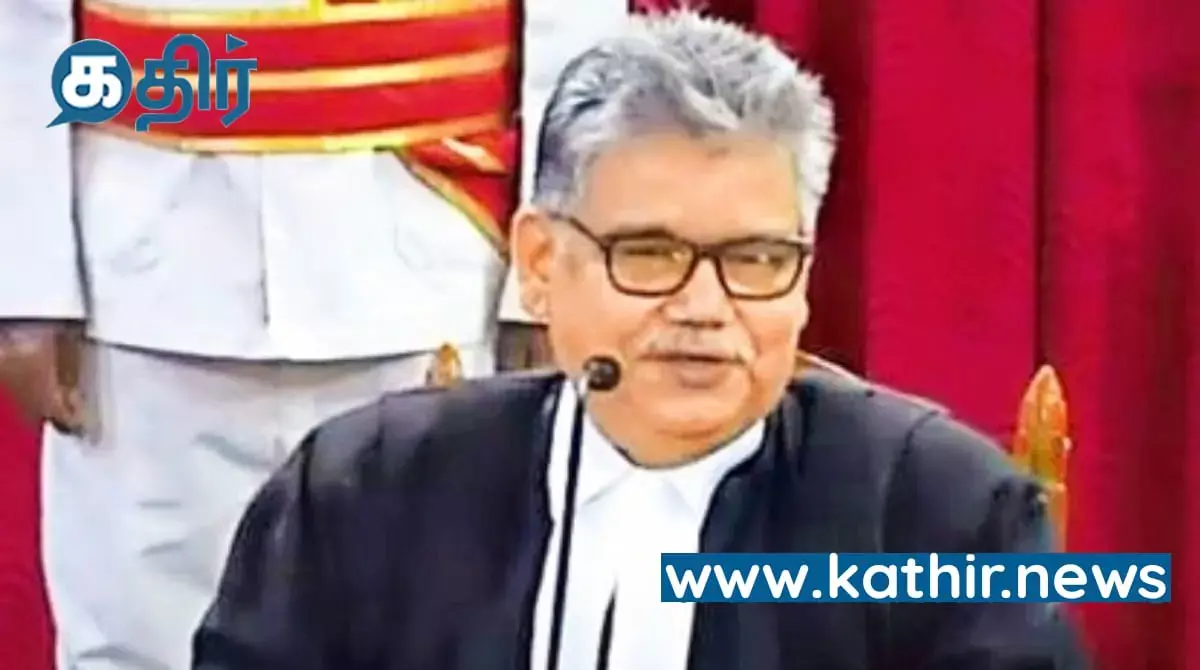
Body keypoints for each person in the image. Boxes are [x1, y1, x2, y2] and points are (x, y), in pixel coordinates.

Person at [193, 9, 1087, 669]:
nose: (703, 307)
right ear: (540, 262)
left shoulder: (943, 517)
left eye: (755, 260)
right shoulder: (365, 493)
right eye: (650, 255)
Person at [0, 0, 629, 667]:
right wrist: (28, 273)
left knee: (433, 632)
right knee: (139, 644)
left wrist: (556, 272)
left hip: (429, 251)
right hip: (145, 265)